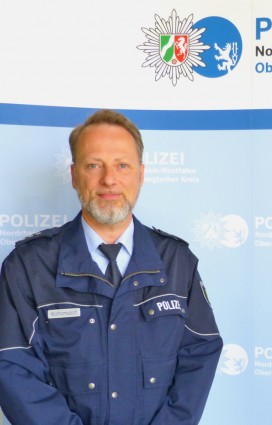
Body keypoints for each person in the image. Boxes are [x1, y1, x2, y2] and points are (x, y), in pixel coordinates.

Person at [0, 110, 223, 424]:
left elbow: (200, 353)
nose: (109, 179)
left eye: (122, 165)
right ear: (74, 175)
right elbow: (12, 366)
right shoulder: (28, 266)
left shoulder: (177, 262)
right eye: (94, 165)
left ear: (140, 174)